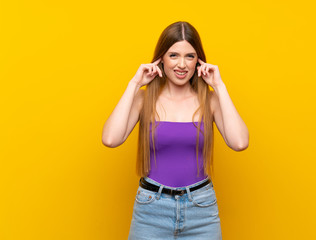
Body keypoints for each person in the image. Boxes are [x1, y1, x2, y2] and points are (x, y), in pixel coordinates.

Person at [102, 21, 249, 240]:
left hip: (201, 209)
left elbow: (239, 143)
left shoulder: (210, 100)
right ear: (161, 58)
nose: (182, 64)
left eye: (190, 56)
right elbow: (111, 139)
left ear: (198, 60)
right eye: (173, 55)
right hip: (151, 209)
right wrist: (134, 84)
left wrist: (219, 86)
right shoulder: (143, 99)